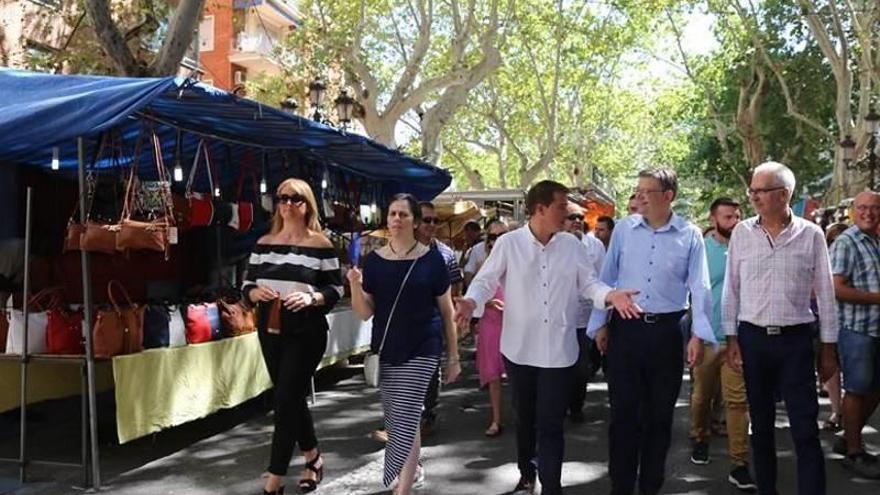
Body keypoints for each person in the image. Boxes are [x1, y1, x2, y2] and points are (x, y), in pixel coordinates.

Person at [454, 180, 641, 495]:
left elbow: (588, 284)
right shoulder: (509, 243)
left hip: (559, 351)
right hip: (519, 349)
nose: (568, 214)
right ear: (539, 208)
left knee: (552, 424)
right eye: (561, 207)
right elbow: (485, 281)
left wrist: (610, 296)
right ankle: (527, 471)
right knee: (526, 420)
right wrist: (471, 302)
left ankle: (552, 486)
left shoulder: (572, 245)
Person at [588, 168, 714, 495]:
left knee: (659, 419)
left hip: (668, 334)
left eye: (648, 191)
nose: (640, 196)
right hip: (626, 332)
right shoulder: (624, 231)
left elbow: (699, 288)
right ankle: (621, 486)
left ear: (668, 196)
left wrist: (699, 334)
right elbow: (606, 278)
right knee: (623, 418)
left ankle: (650, 486)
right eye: (638, 189)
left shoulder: (690, 234)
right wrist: (600, 323)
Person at [723, 161, 838, 495]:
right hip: (753, 339)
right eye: (753, 190)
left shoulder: (812, 234)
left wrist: (829, 348)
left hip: (796, 343)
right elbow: (732, 289)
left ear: (784, 194)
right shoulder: (742, 233)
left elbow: (826, 295)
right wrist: (731, 337)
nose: (754, 196)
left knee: (805, 429)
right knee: (760, 428)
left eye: (761, 190)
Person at [347, 194, 461, 495]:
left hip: (423, 347)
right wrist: (354, 285)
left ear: (414, 221)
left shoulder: (433, 259)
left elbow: (448, 312)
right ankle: (412, 471)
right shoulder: (374, 262)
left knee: (407, 414)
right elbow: (364, 311)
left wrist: (453, 357)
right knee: (400, 418)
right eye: (393, 214)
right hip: (388, 348)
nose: (396, 219)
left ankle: (403, 489)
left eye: (403, 215)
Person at [242, 178, 344, 495]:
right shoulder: (264, 242)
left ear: (307, 204)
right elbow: (246, 286)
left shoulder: (321, 244)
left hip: (306, 331)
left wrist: (311, 298)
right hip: (270, 329)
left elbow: (336, 289)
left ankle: (274, 478)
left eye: (295, 199)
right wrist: (255, 291)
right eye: (282, 198)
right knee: (291, 397)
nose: (287, 204)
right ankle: (313, 459)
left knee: (285, 400)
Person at [687, 197, 756, 490]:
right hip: (707, 336)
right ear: (714, 219)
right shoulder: (701, 250)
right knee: (702, 396)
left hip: (738, 338)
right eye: (728, 217)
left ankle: (739, 463)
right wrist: (694, 334)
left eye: (738, 216)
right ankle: (699, 437)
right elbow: (692, 293)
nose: (735, 221)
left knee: (738, 402)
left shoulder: (751, 247)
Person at [828, 191, 880, 478]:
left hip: (875, 330)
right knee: (858, 390)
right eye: (862, 208)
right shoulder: (847, 242)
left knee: (874, 390)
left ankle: (850, 438)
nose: (869, 213)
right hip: (856, 330)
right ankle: (854, 452)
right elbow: (836, 288)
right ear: (853, 212)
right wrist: (877, 299)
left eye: (874, 208)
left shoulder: (875, 241)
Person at [417, 201, 463, 435]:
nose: (432, 225)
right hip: (406, 321)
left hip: (434, 321)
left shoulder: (445, 253)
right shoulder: (401, 250)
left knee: (430, 369)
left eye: (436, 221)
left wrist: (451, 319)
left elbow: (455, 285)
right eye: (427, 220)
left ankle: (427, 414)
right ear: (415, 221)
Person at [563, 202, 605, 423]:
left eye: (580, 217)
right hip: (557, 319)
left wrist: (601, 322)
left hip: (584, 319)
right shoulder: (552, 242)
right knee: (558, 366)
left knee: (580, 368)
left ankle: (576, 406)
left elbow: (601, 281)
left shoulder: (595, 245)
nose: (577, 221)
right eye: (572, 217)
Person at [474, 221, 509, 437]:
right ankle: (496, 420)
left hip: (516, 324)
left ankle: (527, 415)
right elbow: (474, 296)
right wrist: (487, 304)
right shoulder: (484, 267)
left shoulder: (521, 262)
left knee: (521, 373)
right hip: (490, 324)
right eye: (492, 237)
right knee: (494, 375)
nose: (496, 240)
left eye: (501, 235)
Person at [822, 222, 848, 431]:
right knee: (831, 366)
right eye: (832, 240)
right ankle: (836, 410)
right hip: (826, 319)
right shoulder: (825, 257)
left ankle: (844, 411)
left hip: (850, 320)